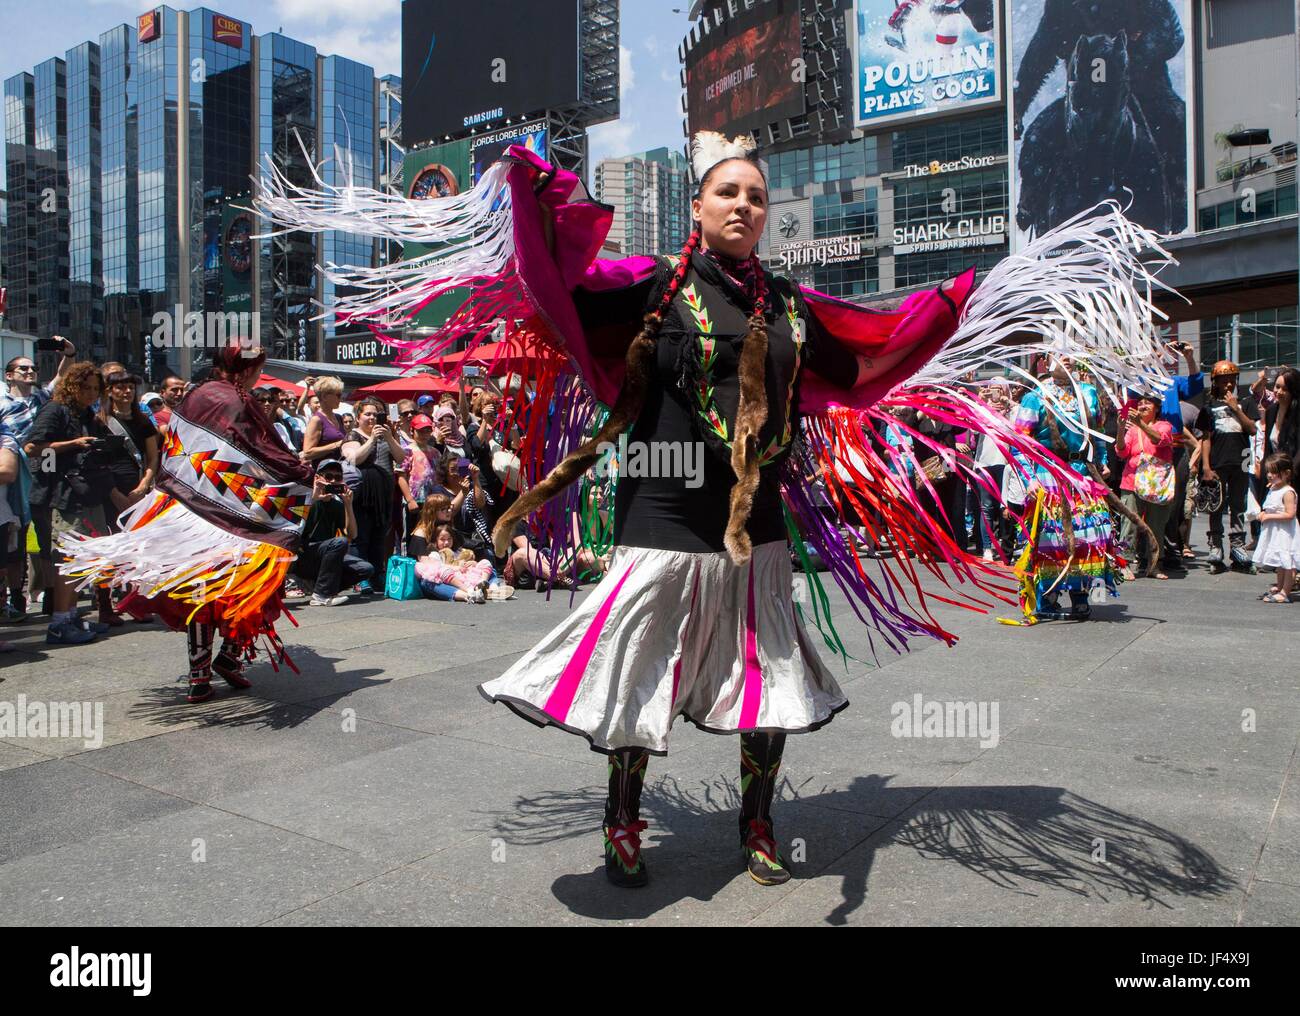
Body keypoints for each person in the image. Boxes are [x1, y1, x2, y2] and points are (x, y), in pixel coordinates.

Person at [259, 129, 1176, 891]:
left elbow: (872, 354)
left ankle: (760, 821)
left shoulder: (790, 305)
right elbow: (560, 288)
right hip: (661, 515)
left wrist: (959, 302)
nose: (743, 206)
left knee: (770, 682)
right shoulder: (649, 284)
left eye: (756, 198)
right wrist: (536, 197)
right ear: (697, 206)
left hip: (756, 522)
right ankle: (624, 819)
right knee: (636, 677)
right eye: (727, 193)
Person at [57, 343, 316, 701]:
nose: (260, 373)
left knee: (201, 590)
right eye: (258, 367)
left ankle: (200, 675)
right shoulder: (239, 402)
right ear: (243, 370)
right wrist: (301, 472)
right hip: (230, 517)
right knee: (255, 581)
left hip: (184, 511)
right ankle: (229, 655)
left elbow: (181, 450)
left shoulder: (195, 396)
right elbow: (266, 452)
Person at [1010, 356, 1121, 620]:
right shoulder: (1035, 397)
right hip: (1049, 474)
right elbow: (1018, 442)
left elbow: (1098, 432)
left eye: (1071, 353)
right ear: (1047, 362)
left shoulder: (1088, 393)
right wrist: (1030, 479)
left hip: (1083, 476)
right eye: (1061, 354)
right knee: (1051, 539)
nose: (1068, 359)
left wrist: (1102, 460)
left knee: (1090, 536)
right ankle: (1048, 595)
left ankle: (1081, 595)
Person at [24, 362, 116, 644]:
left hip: (84, 493)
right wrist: (74, 444)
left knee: (83, 558)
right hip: (60, 497)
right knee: (67, 558)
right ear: (71, 386)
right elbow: (32, 448)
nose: (90, 393)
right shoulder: (56, 410)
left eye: (95, 389)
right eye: (85, 387)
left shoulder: (87, 413)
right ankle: (60, 622)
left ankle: (72, 615)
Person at [1196, 361, 1258, 574]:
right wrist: (1205, 466)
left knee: (1239, 504)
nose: (1228, 383)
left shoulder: (1247, 403)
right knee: (1216, 504)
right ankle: (1215, 545)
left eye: (1232, 378)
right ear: (1215, 382)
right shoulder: (1209, 407)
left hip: (1242, 459)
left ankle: (1238, 546)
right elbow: (1205, 438)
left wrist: (1235, 408)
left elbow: (1252, 429)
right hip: (1217, 461)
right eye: (1223, 379)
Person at [342, 398, 404, 595]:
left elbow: (401, 457)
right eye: (367, 414)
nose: (371, 418)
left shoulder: (386, 434)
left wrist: (389, 437)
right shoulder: (353, 435)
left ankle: (377, 575)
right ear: (358, 417)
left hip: (383, 494)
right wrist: (371, 439)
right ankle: (360, 578)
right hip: (361, 494)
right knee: (361, 536)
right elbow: (353, 458)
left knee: (379, 536)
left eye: (375, 414)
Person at [294, 459, 373, 607]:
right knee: (339, 542)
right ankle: (321, 595)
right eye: (328, 476)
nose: (333, 481)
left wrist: (348, 505)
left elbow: (352, 535)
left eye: (337, 478)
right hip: (302, 555)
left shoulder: (336, 505)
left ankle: (322, 587)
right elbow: (297, 527)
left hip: (326, 555)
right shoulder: (306, 498)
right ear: (317, 478)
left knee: (366, 569)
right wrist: (315, 498)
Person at [1116, 394, 1175, 581]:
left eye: (1147, 403)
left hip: (1157, 484)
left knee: (1156, 525)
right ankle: (1124, 563)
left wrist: (1140, 424)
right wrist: (1120, 429)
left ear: (1157, 407)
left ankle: (1154, 564)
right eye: (1139, 403)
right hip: (1131, 481)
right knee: (1129, 524)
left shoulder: (1164, 425)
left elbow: (1161, 440)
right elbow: (1121, 451)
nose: (1142, 406)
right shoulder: (1131, 430)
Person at [1252, 453, 1298, 603]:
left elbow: (1290, 514)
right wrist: (1263, 513)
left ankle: (1285, 592)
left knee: (1287, 562)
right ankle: (1280, 586)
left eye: (1273, 472)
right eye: (1268, 472)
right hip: (1276, 531)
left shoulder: (1288, 492)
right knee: (1280, 563)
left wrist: (1269, 517)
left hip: (1285, 532)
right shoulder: (1274, 488)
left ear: (1286, 474)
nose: (1269, 475)